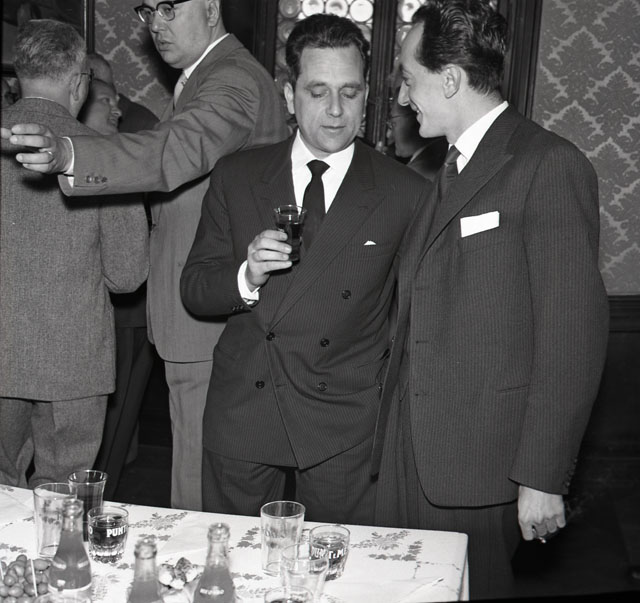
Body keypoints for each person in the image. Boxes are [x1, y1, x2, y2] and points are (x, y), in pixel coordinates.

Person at [2, 0, 290, 511]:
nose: (156, 23)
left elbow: (173, 151)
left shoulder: (233, 80)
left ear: (211, 8)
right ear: (79, 82)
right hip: (97, 350)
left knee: (203, 485)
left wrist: (72, 153)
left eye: (169, 7)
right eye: (148, 10)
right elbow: (125, 272)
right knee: (76, 496)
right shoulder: (204, 80)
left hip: (214, 315)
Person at [370, 1, 610, 599]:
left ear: (450, 79)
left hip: (482, 464)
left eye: (409, 79)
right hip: (410, 452)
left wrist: (542, 477)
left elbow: (571, 337)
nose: (402, 97)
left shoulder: (547, 164)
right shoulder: (444, 169)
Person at [180, 13, 427, 525]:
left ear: (366, 97)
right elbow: (196, 290)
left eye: (349, 92)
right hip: (245, 409)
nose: (335, 110)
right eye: (318, 92)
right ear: (290, 97)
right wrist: (247, 275)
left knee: (339, 562)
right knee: (236, 560)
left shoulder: (405, 192)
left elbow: (418, 318)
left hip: (344, 421)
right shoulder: (238, 175)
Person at [0, 19, 149, 488]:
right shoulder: (106, 154)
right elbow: (126, 275)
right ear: (80, 81)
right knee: (64, 496)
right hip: (74, 361)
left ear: (19, 76)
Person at [79, 72, 156, 501]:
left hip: (127, 308)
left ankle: (104, 502)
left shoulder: (122, 150)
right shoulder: (65, 153)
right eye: (105, 99)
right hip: (86, 320)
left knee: (118, 425)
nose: (118, 109)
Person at [387, 89, 447, 181]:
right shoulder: (443, 154)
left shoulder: (415, 173)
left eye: (393, 124)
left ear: (415, 119)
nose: (388, 135)